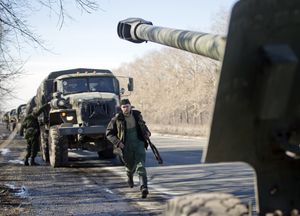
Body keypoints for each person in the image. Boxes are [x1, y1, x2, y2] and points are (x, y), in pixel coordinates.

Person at [106, 99, 151, 198]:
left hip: (138, 144)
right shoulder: (117, 119)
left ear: (130, 106)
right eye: (124, 107)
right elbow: (109, 133)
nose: (126, 109)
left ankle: (144, 187)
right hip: (126, 147)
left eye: (127, 106)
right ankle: (130, 176)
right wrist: (118, 143)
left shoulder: (137, 115)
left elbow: (144, 126)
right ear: (121, 108)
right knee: (130, 167)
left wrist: (147, 133)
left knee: (140, 165)